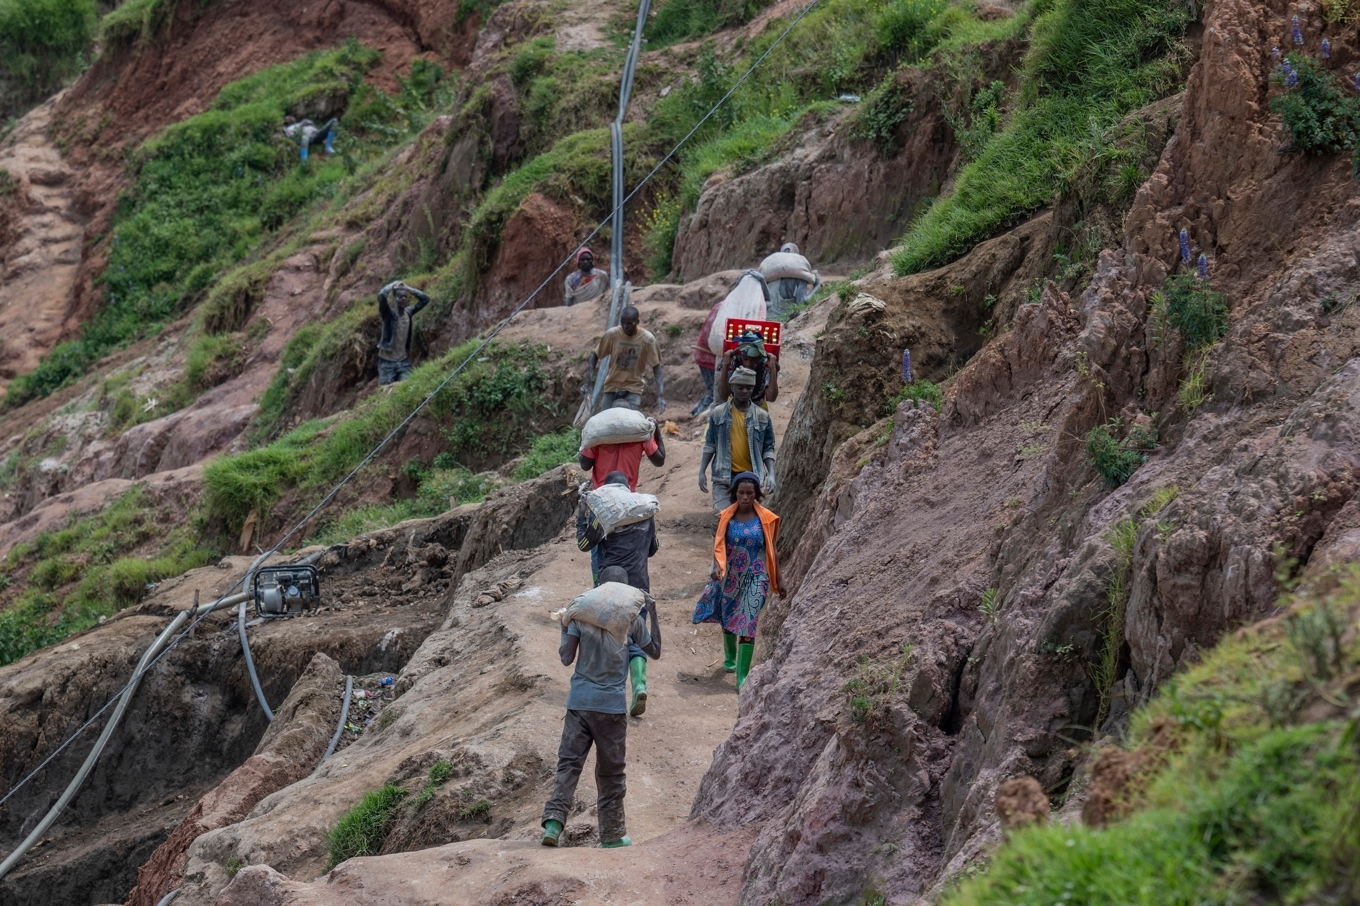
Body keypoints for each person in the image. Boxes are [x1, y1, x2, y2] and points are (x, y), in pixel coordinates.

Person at [542, 565, 661, 848]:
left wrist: (564, 627)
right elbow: (654, 651)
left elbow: (566, 658)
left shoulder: (580, 616)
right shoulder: (631, 620)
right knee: (611, 773)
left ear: (599, 586)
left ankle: (554, 824)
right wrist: (653, 613)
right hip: (611, 710)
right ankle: (612, 835)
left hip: (579, 705)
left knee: (569, 765)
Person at [577, 472, 660, 717]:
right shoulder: (644, 512)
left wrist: (581, 516)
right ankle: (640, 685)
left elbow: (583, 545)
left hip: (610, 586)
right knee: (638, 635)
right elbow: (653, 548)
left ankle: (605, 690)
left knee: (609, 636)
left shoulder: (603, 513)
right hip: (639, 585)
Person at [691, 472, 779, 690]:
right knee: (729, 616)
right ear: (735, 493)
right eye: (741, 493)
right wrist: (716, 567)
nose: (745, 497)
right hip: (730, 576)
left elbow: (772, 550)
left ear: (757, 494)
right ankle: (730, 658)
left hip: (756, 577)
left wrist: (779, 579)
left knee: (748, 621)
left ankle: (742, 678)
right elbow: (718, 545)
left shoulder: (766, 519)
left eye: (750, 493)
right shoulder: (725, 518)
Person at [699, 367, 776, 513]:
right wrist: (702, 471)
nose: (745, 391)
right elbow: (710, 444)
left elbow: (768, 448)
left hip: (751, 478)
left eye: (749, 388)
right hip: (724, 477)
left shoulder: (762, 416)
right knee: (722, 516)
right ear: (732, 387)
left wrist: (771, 474)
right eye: (740, 388)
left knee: (747, 518)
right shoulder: (718, 413)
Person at [583, 306, 665, 412]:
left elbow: (656, 367)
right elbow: (594, 356)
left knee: (632, 420)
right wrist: (587, 384)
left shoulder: (647, 339)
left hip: (633, 388)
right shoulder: (612, 335)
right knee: (604, 419)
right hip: (612, 386)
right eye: (623, 323)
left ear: (637, 322)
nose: (625, 326)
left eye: (629, 323)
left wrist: (661, 395)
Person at [578, 406, 666, 492]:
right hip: (627, 493)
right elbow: (659, 461)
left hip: (601, 493)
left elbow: (585, 466)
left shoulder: (596, 436)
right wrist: (656, 429)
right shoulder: (641, 436)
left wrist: (583, 437)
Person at [376, 280, 430, 385]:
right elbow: (382, 296)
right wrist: (392, 285)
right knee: (386, 392)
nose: (404, 299)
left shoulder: (409, 312)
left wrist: (408, 288)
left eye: (405, 296)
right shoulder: (388, 314)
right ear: (395, 299)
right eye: (401, 297)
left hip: (403, 361)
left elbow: (425, 299)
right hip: (387, 364)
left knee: (405, 389)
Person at [714, 331, 779, 408]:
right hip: (734, 407)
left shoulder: (765, 365)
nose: (748, 364)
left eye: (753, 360)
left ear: (758, 357)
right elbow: (723, 396)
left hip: (757, 408)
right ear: (741, 356)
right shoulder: (733, 362)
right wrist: (725, 365)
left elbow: (771, 398)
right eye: (745, 359)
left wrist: (773, 368)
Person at [763, 242, 821, 320]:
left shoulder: (769, 274)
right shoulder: (800, 274)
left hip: (766, 319)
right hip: (784, 321)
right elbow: (802, 302)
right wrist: (817, 286)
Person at [691, 300, 722, 416]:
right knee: (715, 391)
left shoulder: (721, 305)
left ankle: (695, 412)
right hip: (708, 355)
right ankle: (697, 415)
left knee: (713, 390)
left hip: (705, 352)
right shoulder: (727, 309)